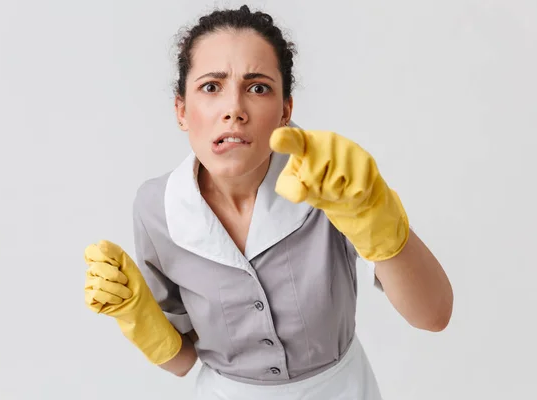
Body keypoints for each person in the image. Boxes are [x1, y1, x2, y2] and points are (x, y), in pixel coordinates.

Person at [83, 5, 454, 399]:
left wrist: (376, 217)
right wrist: (139, 319)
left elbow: (433, 316)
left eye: (258, 87)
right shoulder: (156, 208)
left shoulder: (331, 180)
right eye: (211, 87)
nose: (234, 110)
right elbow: (183, 362)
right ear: (181, 110)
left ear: (285, 110)